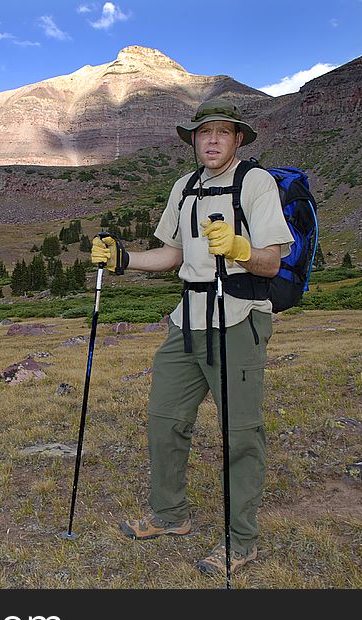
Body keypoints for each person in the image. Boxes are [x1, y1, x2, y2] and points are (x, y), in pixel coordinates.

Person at [91, 99, 293, 576]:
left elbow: (272, 261)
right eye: (205, 133)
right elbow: (172, 254)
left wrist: (241, 248)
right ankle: (169, 516)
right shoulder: (184, 188)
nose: (214, 141)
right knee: (164, 420)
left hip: (239, 318)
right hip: (187, 319)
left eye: (223, 132)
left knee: (240, 434)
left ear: (238, 139)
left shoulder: (255, 183)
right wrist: (123, 259)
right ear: (194, 139)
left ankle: (241, 542)